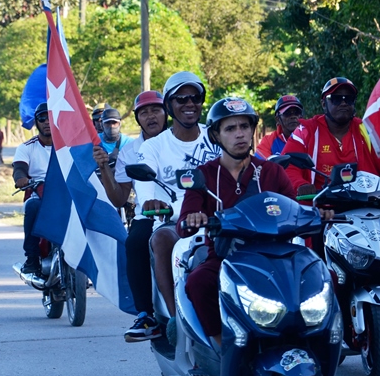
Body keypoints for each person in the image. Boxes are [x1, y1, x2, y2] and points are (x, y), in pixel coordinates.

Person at [178, 97, 300, 344]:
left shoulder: (271, 172)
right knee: (198, 282)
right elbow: (182, 226)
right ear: (216, 136)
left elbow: (295, 210)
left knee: (318, 276)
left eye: (244, 126)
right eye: (230, 129)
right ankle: (219, 346)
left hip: (274, 258)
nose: (240, 134)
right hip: (225, 258)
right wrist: (193, 218)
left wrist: (318, 213)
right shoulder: (202, 175)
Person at [281, 77, 380, 282]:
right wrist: (301, 185)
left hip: (369, 205)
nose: (343, 102)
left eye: (348, 99)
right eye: (336, 98)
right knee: (314, 229)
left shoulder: (367, 130)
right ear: (324, 103)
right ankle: (322, 286)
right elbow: (290, 166)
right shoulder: (306, 130)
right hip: (326, 208)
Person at [136, 72, 220, 338]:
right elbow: (145, 184)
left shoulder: (218, 135)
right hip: (176, 221)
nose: (189, 104)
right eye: (181, 98)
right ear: (170, 106)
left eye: (195, 98)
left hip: (223, 219)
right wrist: (152, 199)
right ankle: (177, 322)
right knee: (160, 239)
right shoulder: (154, 147)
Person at [93, 90, 168, 341]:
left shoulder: (181, 140)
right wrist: (104, 167)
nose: (151, 116)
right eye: (144, 112)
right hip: (149, 216)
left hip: (190, 211)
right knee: (134, 243)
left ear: (166, 112)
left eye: (155, 110)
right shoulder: (130, 152)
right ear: (137, 119)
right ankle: (146, 314)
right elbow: (119, 198)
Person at [13, 102, 53, 275]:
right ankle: (32, 258)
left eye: (50, 117)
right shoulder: (26, 147)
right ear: (36, 122)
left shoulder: (69, 147)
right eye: (42, 118)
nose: (46, 122)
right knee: (32, 206)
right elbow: (19, 168)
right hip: (39, 191)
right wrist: (21, 178)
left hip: (65, 192)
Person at [255, 95, 304, 159]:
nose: (293, 116)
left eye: (297, 113)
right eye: (287, 113)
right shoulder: (268, 142)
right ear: (278, 119)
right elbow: (259, 164)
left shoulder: (311, 136)